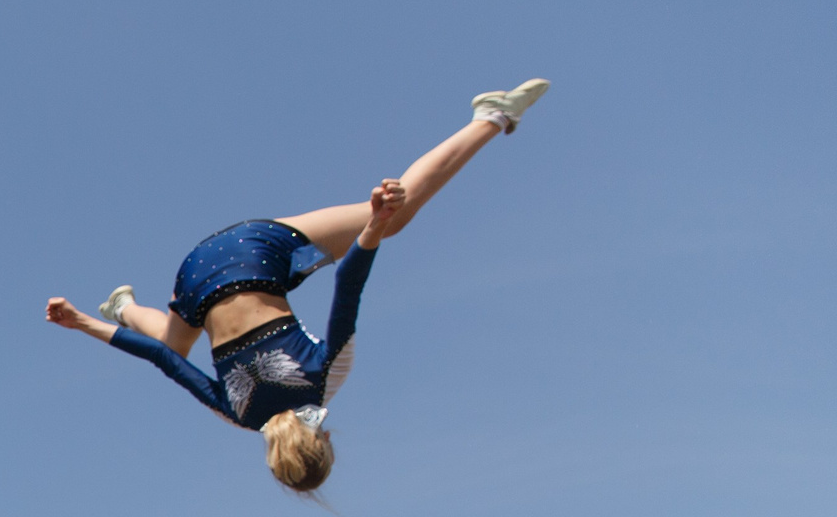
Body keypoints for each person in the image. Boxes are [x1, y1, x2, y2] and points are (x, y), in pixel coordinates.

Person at [43, 80, 550, 493]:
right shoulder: (237, 416)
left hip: (256, 252)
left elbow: (348, 286)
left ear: (324, 442)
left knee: (401, 212)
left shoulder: (325, 381)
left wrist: (377, 222)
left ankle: (492, 117)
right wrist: (80, 322)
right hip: (197, 273)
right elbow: (162, 360)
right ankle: (122, 306)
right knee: (175, 342)